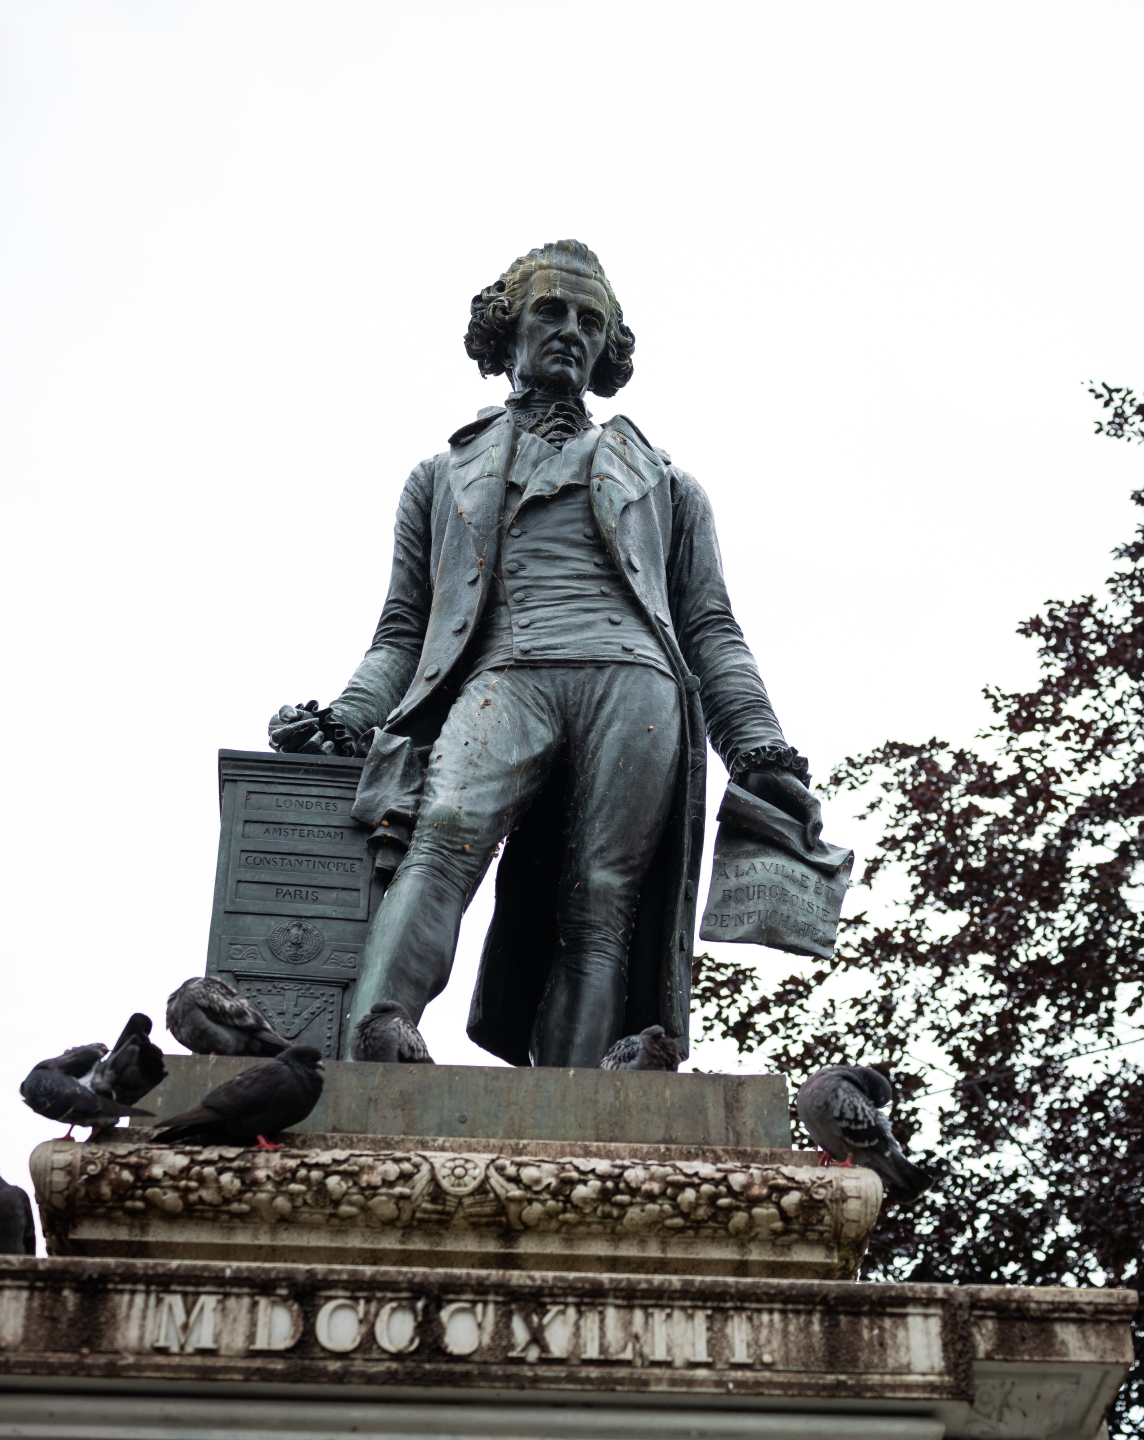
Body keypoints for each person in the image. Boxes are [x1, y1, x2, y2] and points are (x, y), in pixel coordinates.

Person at [269, 240, 819, 1068]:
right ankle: (376, 1037)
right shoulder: (438, 477)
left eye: (590, 321)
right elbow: (404, 629)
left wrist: (758, 745)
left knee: (600, 900)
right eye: (551, 311)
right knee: (446, 828)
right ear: (510, 330)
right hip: (504, 677)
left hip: (636, 686)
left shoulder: (669, 482)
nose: (570, 331)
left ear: (607, 348)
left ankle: (571, 1092)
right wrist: (348, 720)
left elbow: (711, 627)